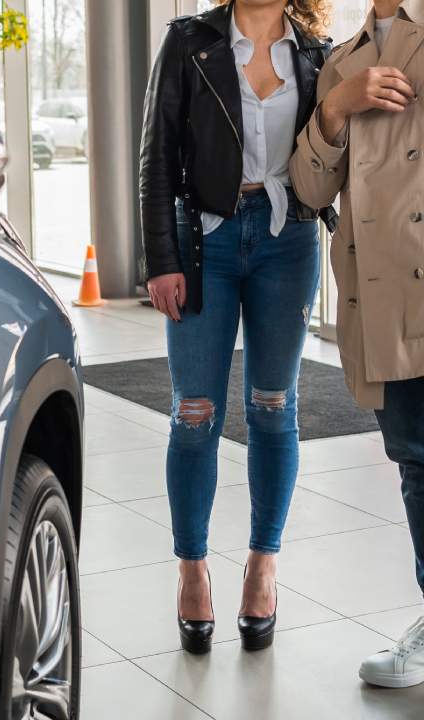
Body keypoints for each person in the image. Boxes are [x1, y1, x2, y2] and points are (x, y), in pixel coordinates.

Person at [140, 0, 335, 654]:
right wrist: (161, 259)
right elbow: (158, 158)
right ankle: (192, 567)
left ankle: (263, 564)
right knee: (195, 411)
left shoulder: (314, 52)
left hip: (289, 240)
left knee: (274, 408)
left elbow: (332, 150)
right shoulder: (189, 42)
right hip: (205, 245)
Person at [290, 0, 424, 690]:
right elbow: (312, 188)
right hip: (381, 302)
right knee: (418, 466)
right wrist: (336, 109)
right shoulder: (341, 62)